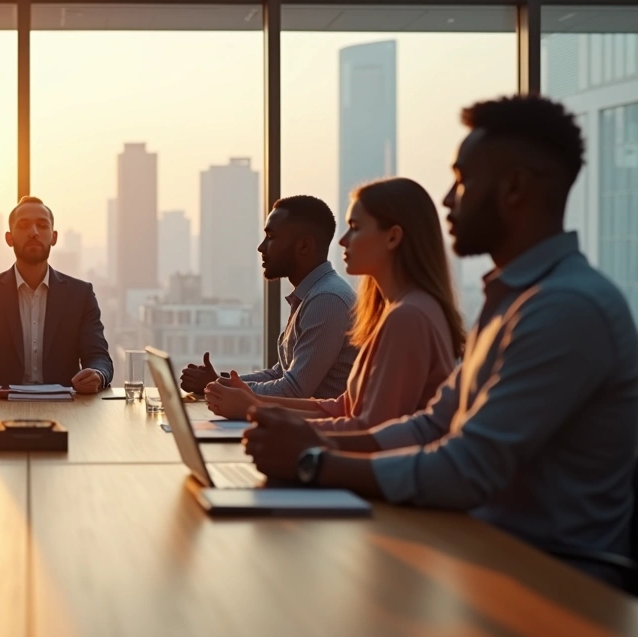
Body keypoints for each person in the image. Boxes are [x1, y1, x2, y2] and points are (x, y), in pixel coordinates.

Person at [243, 95, 638, 587]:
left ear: (514, 187)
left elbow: (466, 468)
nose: (449, 199)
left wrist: (312, 460)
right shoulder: (512, 300)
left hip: (547, 583)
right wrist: (314, 443)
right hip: (481, 554)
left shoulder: (567, 308)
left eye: (462, 180)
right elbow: (433, 425)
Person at [205, 177, 464, 431]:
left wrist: (254, 409)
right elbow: (342, 408)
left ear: (392, 237)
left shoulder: (406, 315)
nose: (342, 240)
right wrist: (251, 403)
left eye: (355, 227)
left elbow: (369, 430)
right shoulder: (394, 311)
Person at [181, 195, 357, 400]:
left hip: (320, 422)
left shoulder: (327, 299)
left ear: (304, 246)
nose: (261, 247)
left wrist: (217, 386)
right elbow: (280, 373)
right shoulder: (314, 294)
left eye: (271, 237)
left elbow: (294, 390)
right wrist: (218, 382)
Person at [0, 196, 114, 393]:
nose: (34, 233)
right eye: (23, 226)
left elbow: (99, 357)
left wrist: (97, 374)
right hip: (2, 404)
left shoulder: (80, 295)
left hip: (66, 406)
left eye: (42, 225)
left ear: (54, 237)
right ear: (9, 238)